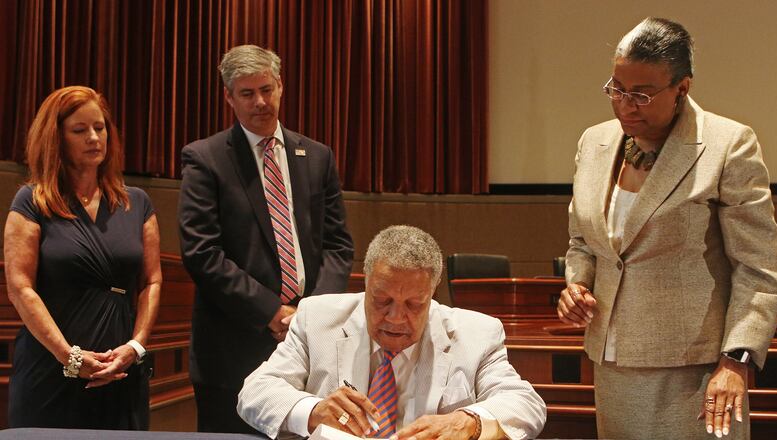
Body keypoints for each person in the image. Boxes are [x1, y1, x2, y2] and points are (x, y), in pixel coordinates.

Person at [558, 17, 777, 440]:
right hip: (611, 363)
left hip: (699, 374)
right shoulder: (595, 142)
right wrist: (578, 285)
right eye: (617, 89)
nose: (626, 105)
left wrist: (735, 361)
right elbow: (582, 243)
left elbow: (760, 269)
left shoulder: (728, 145)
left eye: (642, 95)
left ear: (682, 89)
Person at [179, 44, 354, 433]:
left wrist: (311, 315)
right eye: (247, 93)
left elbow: (339, 245)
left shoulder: (318, 156)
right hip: (234, 346)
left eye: (267, 89)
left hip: (310, 345)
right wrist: (271, 313)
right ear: (228, 97)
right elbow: (201, 252)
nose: (260, 102)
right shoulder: (205, 159)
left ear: (281, 86)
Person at [237, 225, 547, 440]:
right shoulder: (317, 318)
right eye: (382, 301)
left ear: (433, 292)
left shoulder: (476, 333)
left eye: (414, 304)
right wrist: (315, 410)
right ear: (366, 283)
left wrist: (469, 423)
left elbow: (525, 403)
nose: (396, 318)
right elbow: (255, 392)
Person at [3, 86, 161, 429]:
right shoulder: (31, 201)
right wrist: (69, 356)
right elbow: (20, 287)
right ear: (55, 138)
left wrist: (135, 346)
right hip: (51, 369)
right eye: (79, 130)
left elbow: (151, 280)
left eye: (100, 127)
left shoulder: (137, 202)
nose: (94, 137)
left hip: (121, 370)